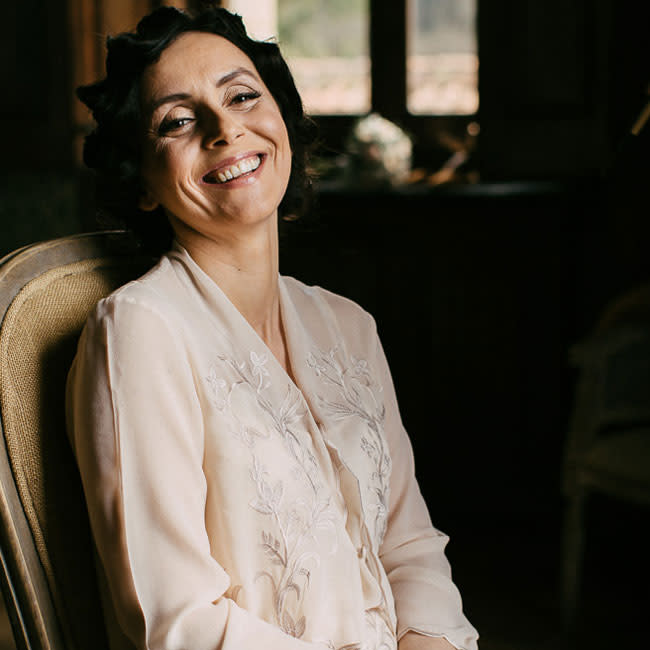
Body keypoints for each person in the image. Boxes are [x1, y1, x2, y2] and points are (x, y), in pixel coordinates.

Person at [66, 5, 479, 650]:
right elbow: (173, 619)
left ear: (281, 120)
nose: (224, 127)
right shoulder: (140, 332)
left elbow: (409, 544)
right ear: (142, 182)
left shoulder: (348, 325)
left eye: (242, 95)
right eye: (177, 120)